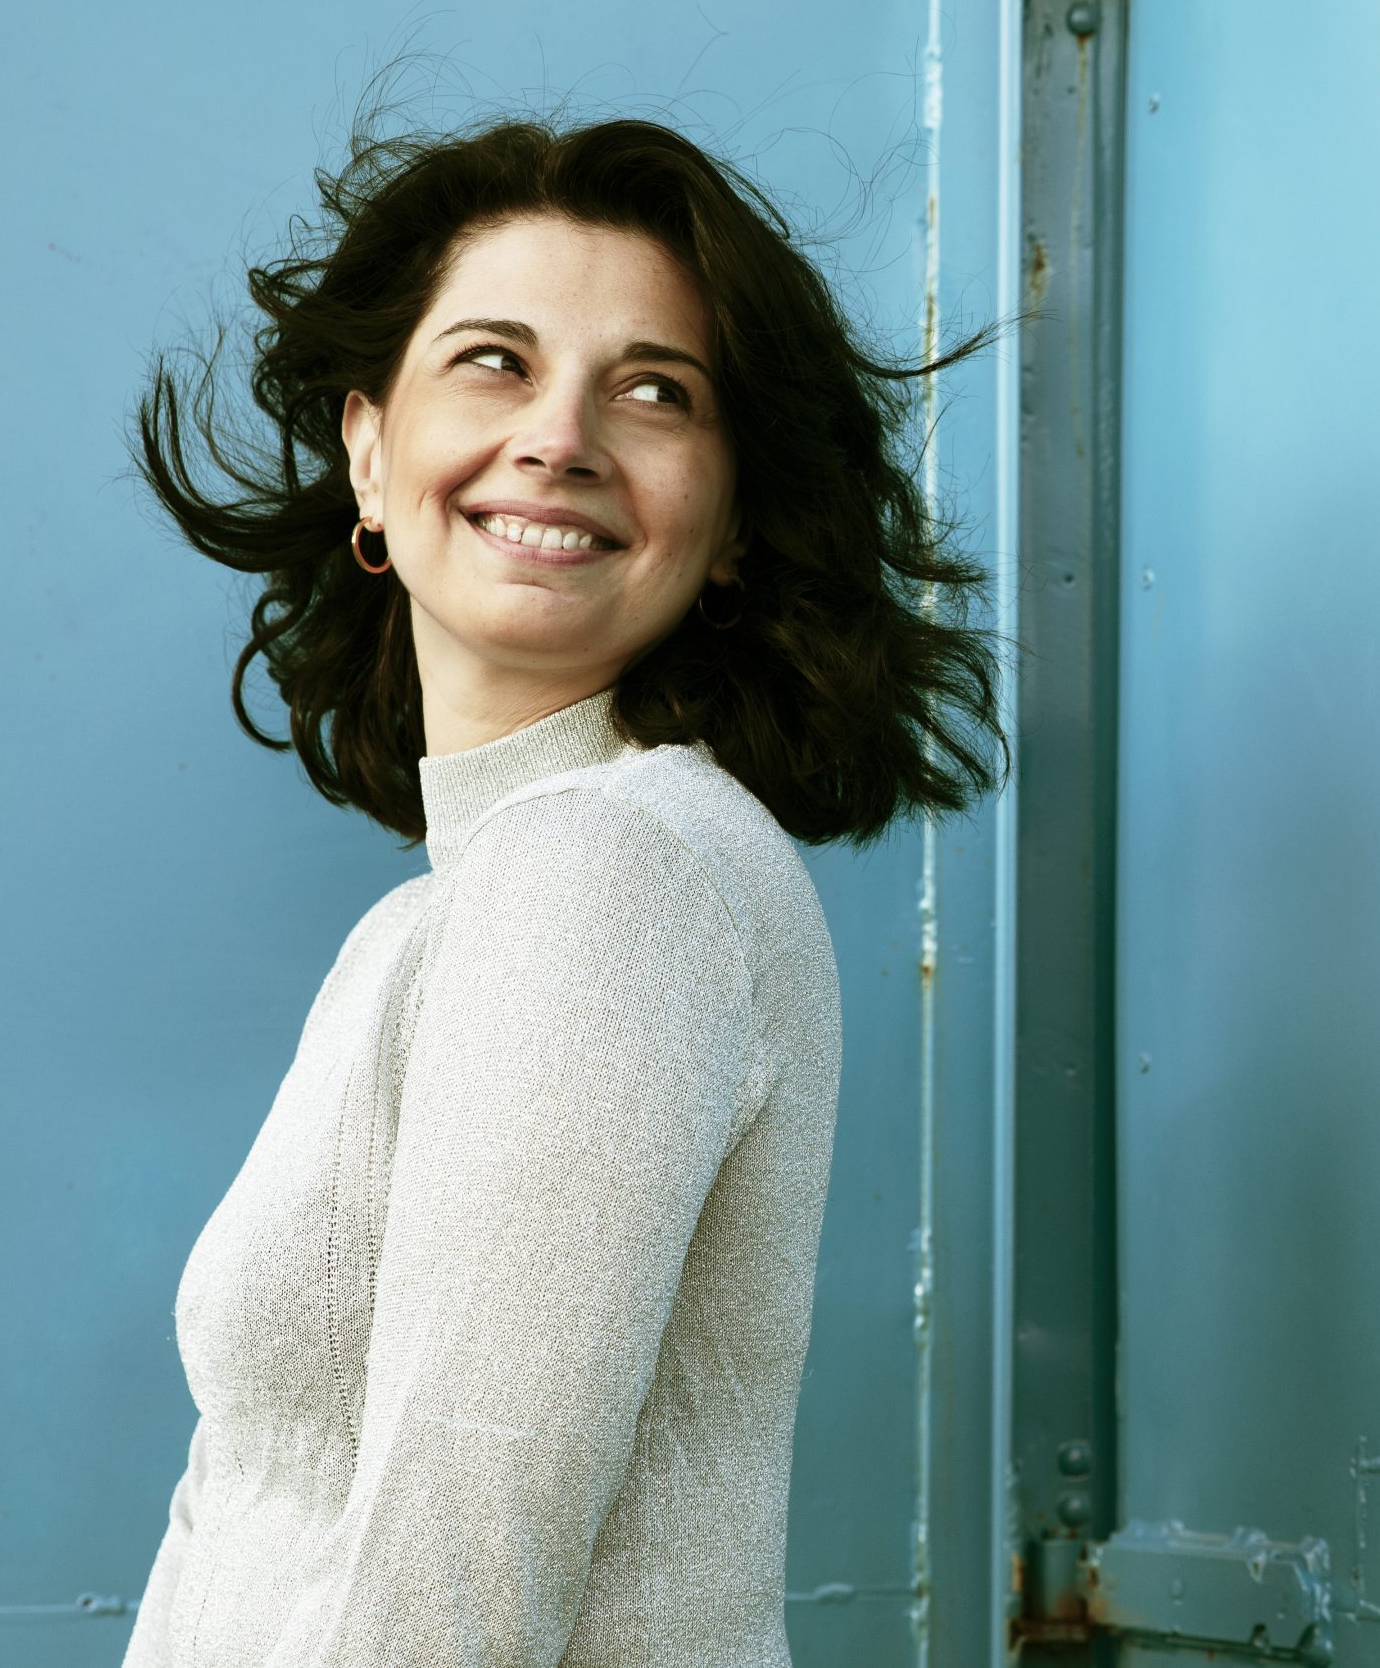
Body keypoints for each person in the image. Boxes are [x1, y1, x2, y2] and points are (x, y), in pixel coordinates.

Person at [119, 114, 1001, 1668]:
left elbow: (455, 1587)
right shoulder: (440, 913)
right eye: (493, 362)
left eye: (656, 391)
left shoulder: (611, 867)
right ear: (368, 453)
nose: (561, 437)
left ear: (734, 524)